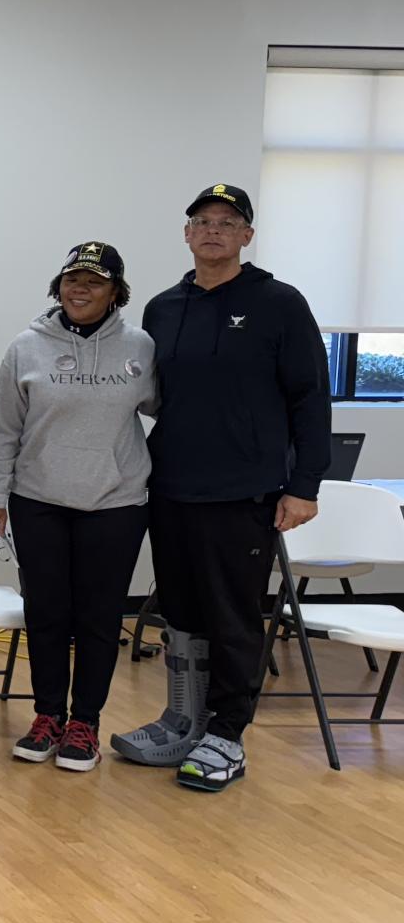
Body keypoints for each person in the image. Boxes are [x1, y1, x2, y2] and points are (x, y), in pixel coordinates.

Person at [112, 185, 330, 792]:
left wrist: (304, 484)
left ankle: (227, 734)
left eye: (227, 223)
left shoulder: (279, 303)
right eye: (202, 222)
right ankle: (183, 718)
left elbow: (311, 398)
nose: (213, 231)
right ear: (187, 235)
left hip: (244, 490)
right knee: (180, 611)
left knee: (233, 616)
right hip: (172, 484)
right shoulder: (162, 307)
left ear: (246, 237)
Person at [0, 242, 157, 773]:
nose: (80, 290)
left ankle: (85, 723)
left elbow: (171, 410)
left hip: (116, 503)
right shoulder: (26, 347)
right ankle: (47, 716)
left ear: (116, 293)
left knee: (101, 619)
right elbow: (2, 428)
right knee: (48, 615)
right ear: (58, 286)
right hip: (39, 501)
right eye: (71, 280)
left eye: (95, 283)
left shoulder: (141, 348)